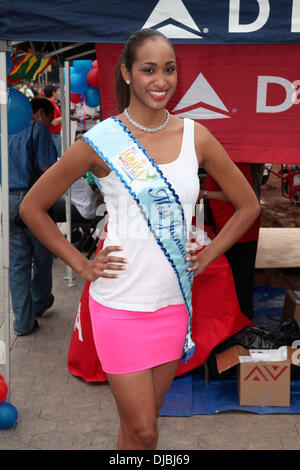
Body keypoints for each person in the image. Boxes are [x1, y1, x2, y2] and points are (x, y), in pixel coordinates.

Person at [20, 29, 260, 449]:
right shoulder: (101, 142)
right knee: (146, 430)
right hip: (118, 304)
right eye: (149, 70)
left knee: (136, 430)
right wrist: (81, 263)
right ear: (128, 73)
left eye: (169, 69)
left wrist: (206, 257)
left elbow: (248, 206)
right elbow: (32, 208)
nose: (161, 80)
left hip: (171, 304)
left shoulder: (195, 136)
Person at [7, 98, 58, 335]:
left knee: (18, 266)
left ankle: (23, 323)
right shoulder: (37, 130)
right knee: (43, 255)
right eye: (48, 117)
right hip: (33, 202)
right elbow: (50, 171)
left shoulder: (4, 129)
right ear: (39, 112)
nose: (49, 123)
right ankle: (39, 303)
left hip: (6, 200)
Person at [203, 162, 262, 320]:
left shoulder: (237, 163)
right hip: (225, 226)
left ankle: (243, 326)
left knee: (240, 282)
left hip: (241, 231)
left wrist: (205, 193)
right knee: (232, 281)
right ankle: (233, 321)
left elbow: (240, 195)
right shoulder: (216, 161)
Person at [44, 84, 62, 158]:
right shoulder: (50, 105)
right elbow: (53, 122)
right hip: (53, 135)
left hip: (54, 135)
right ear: (53, 93)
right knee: (54, 159)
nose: (57, 93)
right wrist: (64, 117)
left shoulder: (51, 104)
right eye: (56, 91)